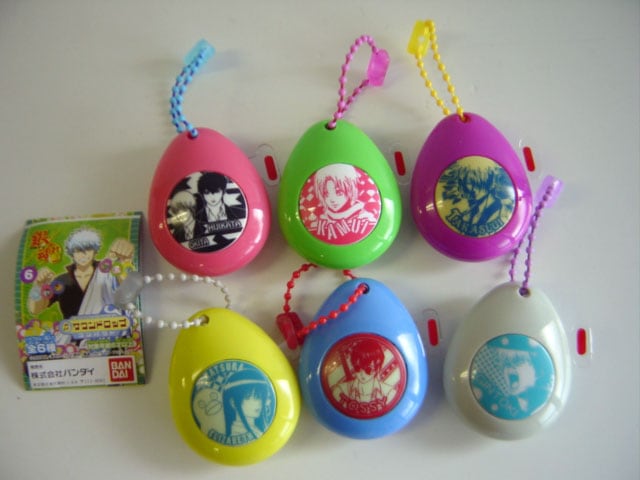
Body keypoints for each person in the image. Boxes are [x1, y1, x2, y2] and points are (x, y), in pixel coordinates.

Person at [28, 227, 134, 319]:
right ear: (72, 253)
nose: (83, 254)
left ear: (95, 251)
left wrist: (125, 259)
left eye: (88, 249)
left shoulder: (107, 272)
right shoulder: (62, 280)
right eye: (78, 250)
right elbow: (35, 310)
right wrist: (38, 286)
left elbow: (128, 290)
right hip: (71, 333)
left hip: (107, 331)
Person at [309, 164, 378, 242]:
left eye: (339, 193)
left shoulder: (365, 217)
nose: (332, 199)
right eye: (326, 194)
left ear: (350, 190)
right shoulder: (322, 219)